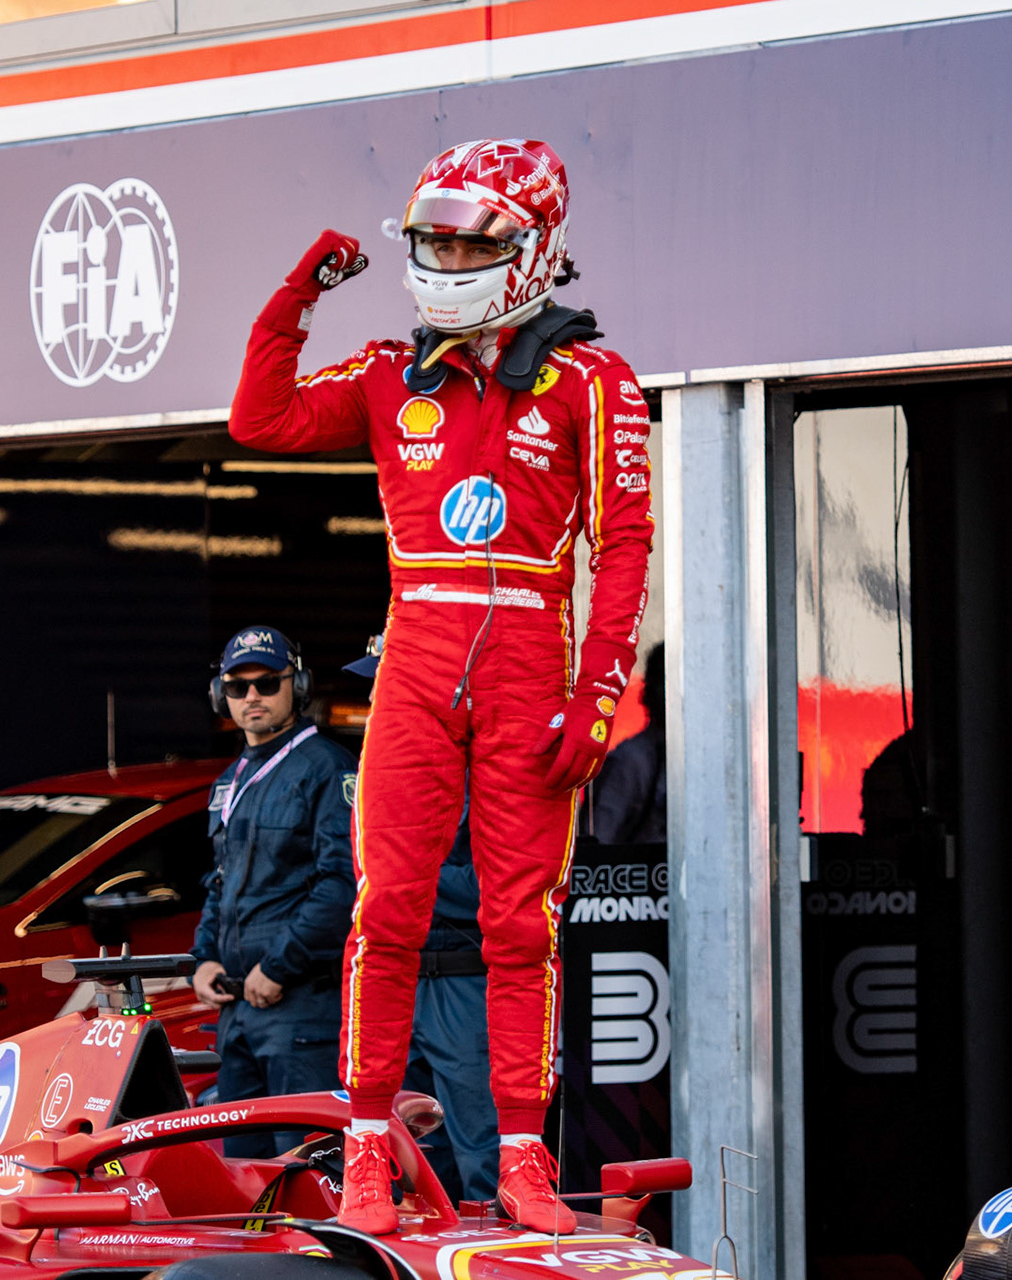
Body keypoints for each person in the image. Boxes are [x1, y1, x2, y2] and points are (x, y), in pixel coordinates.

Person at [229, 138, 654, 1233]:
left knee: (522, 923)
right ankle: (367, 1150)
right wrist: (297, 296)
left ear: (532, 247)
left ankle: (521, 1160)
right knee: (388, 910)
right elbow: (258, 420)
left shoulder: (592, 379)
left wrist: (596, 692)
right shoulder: (388, 373)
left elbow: (625, 546)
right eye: (436, 238)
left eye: (473, 239)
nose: (449, 255)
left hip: (529, 662)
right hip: (415, 658)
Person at [191, 626, 358, 1159]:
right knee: (241, 1171)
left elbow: (342, 885)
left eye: (267, 683)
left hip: (302, 1008)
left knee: (309, 1169)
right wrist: (204, 958)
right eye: (238, 688)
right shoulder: (229, 779)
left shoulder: (329, 769)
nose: (252, 697)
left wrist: (280, 967)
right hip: (238, 1010)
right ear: (222, 696)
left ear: (298, 686)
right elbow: (219, 879)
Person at [348, 640, 499, 1205]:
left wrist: (403, 879)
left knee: (481, 1152)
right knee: (392, 1150)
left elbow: (500, 888)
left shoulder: (483, 772)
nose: (372, 699)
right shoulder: (377, 775)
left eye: (382, 684)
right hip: (394, 976)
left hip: (460, 980)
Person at [588, 642, 665, 844]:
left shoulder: (711, 760)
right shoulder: (632, 760)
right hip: (643, 871)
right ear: (649, 693)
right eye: (665, 683)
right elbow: (598, 841)